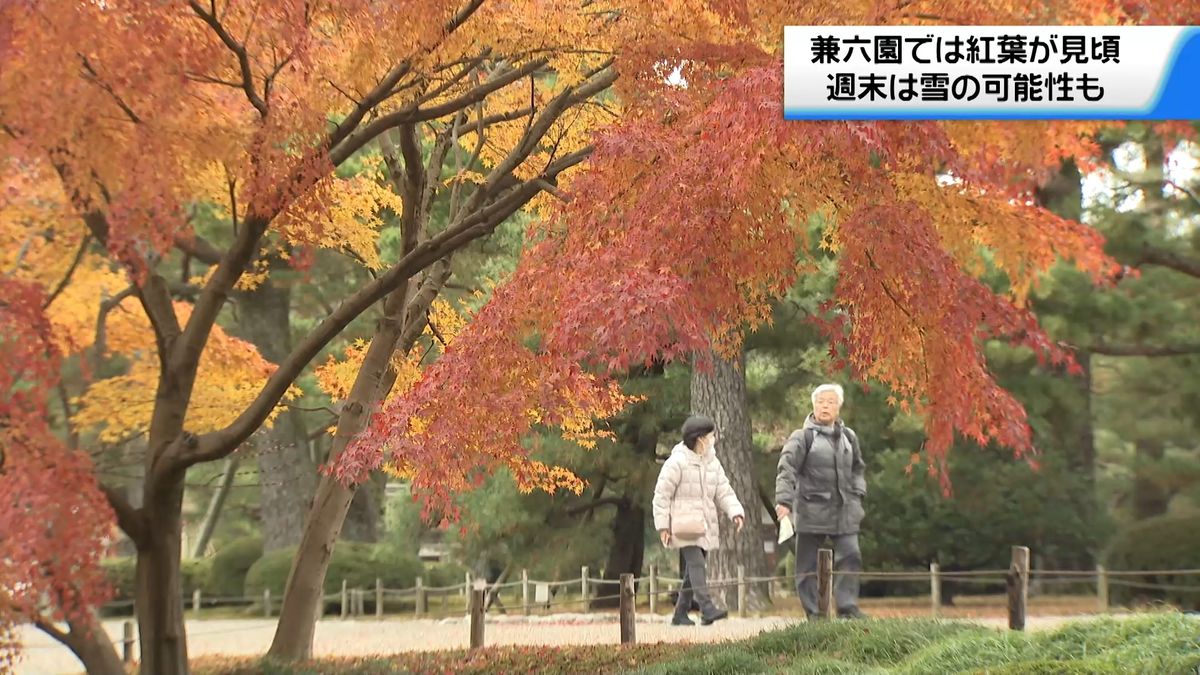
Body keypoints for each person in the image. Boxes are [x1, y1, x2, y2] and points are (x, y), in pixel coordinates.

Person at [774, 383, 868, 619]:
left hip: (845, 510)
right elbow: (787, 469)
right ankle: (814, 613)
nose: (825, 406)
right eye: (821, 402)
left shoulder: (849, 436)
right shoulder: (802, 437)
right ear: (813, 405)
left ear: (839, 407)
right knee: (806, 566)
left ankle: (847, 607)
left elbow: (858, 469)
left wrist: (858, 495)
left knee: (851, 555)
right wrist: (784, 501)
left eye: (831, 402)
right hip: (811, 509)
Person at [652, 414, 745, 626]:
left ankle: (680, 613)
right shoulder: (676, 462)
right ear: (699, 438)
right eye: (710, 435)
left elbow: (723, 490)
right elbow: (662, 495)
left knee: (692, 571)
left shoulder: (712, 461)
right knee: (697, 564)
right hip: (683, 524)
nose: (713, 439)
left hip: (704, 524)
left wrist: (735, 511)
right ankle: (707, 608)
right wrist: (663, 526)